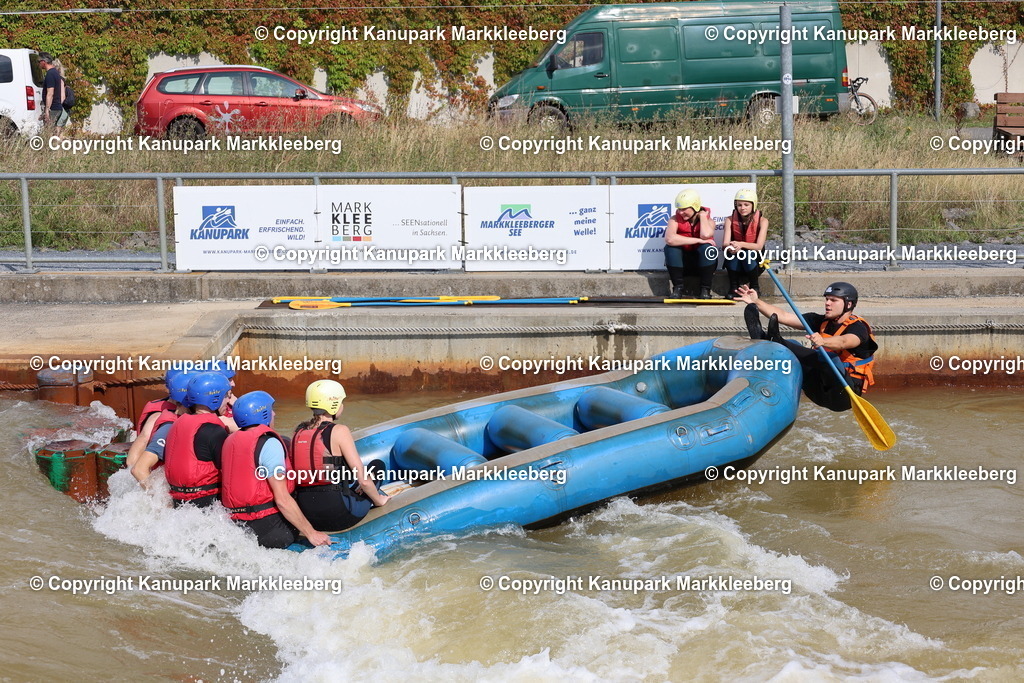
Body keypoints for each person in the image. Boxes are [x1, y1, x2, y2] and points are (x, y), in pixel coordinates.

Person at [736, 281, 877, 412]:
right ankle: (767, 340)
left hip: (844, 395)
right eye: (827, 299)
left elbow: (845, 341)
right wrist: (756, 301)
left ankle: (776, 341)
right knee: (794, 347)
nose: (827, 303)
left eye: (833, 300)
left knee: (829, 357)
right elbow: (784, 316)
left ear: (848, 304)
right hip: (818, 390)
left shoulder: (858, 328)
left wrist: (824, 341)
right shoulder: (821, 321)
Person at [220, 391, 332, 548]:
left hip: (237, 527)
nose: (274, 413)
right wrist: (311, 533)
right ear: (262, 414)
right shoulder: (269, 443)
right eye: (270, 409)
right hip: (269, 531)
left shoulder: (229, 440)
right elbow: (282, 500)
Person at [291, 380, 390, 531]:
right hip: (338, 514)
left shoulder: (298, 432)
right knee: (377, 466)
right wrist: (378, 501)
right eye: (341, 401)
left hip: (308, 514)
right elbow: (363, 481)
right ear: (334, 404)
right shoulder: (339, 431)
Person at [163, 372, 232, 508]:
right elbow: (230, 473)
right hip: (206, 501)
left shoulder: (177, 423)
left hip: (179, 502)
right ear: (215, 398)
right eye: (226, 396)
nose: (228, 401)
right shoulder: (214, 431)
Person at [130, 370, 192, 487]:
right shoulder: (166, 422)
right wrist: (160, 503)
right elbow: (135, 467)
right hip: (158, 477)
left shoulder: (178, 417)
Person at [664, 189, 718, 299]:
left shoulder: (709, 221)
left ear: (695, 207)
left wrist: (702, 217)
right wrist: (697, 240)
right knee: (670, 248)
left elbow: (706, 235)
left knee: (708, 249)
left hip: (702, 265)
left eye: (684, 209)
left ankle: (705, 289)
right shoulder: (674, 220)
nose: (680, 212)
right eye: (679, 209)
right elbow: (670, 239)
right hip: (683, 265)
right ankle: (678, 288)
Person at [126, 368, 181, 470]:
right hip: (153, 468)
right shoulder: (158, 415)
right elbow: (143, 440)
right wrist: (138, 473)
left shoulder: (163, 405)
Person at [723, 188, 769, 296]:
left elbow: (759, 246)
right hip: (737, 257)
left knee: (748, 253)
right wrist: (732, 246)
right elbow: (725, 244)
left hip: (754, 261)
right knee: (732, 253)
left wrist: (741, 244)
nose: (742, 208)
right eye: (739, 205)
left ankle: (755, 287)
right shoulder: (729, 220)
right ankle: (734, 288)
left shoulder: (763, 221)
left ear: (753, 205)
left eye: (746, 205)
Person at [38, 53, 69, 134]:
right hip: (56, 107)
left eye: (39, 61)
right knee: (52, 132)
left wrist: (47, 110)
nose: (38, 64)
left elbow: (50, 93)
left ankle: (50, 145)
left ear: (43, 62)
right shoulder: (55, 72)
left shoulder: (50, 74)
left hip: (53, 108)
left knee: (48, 133)